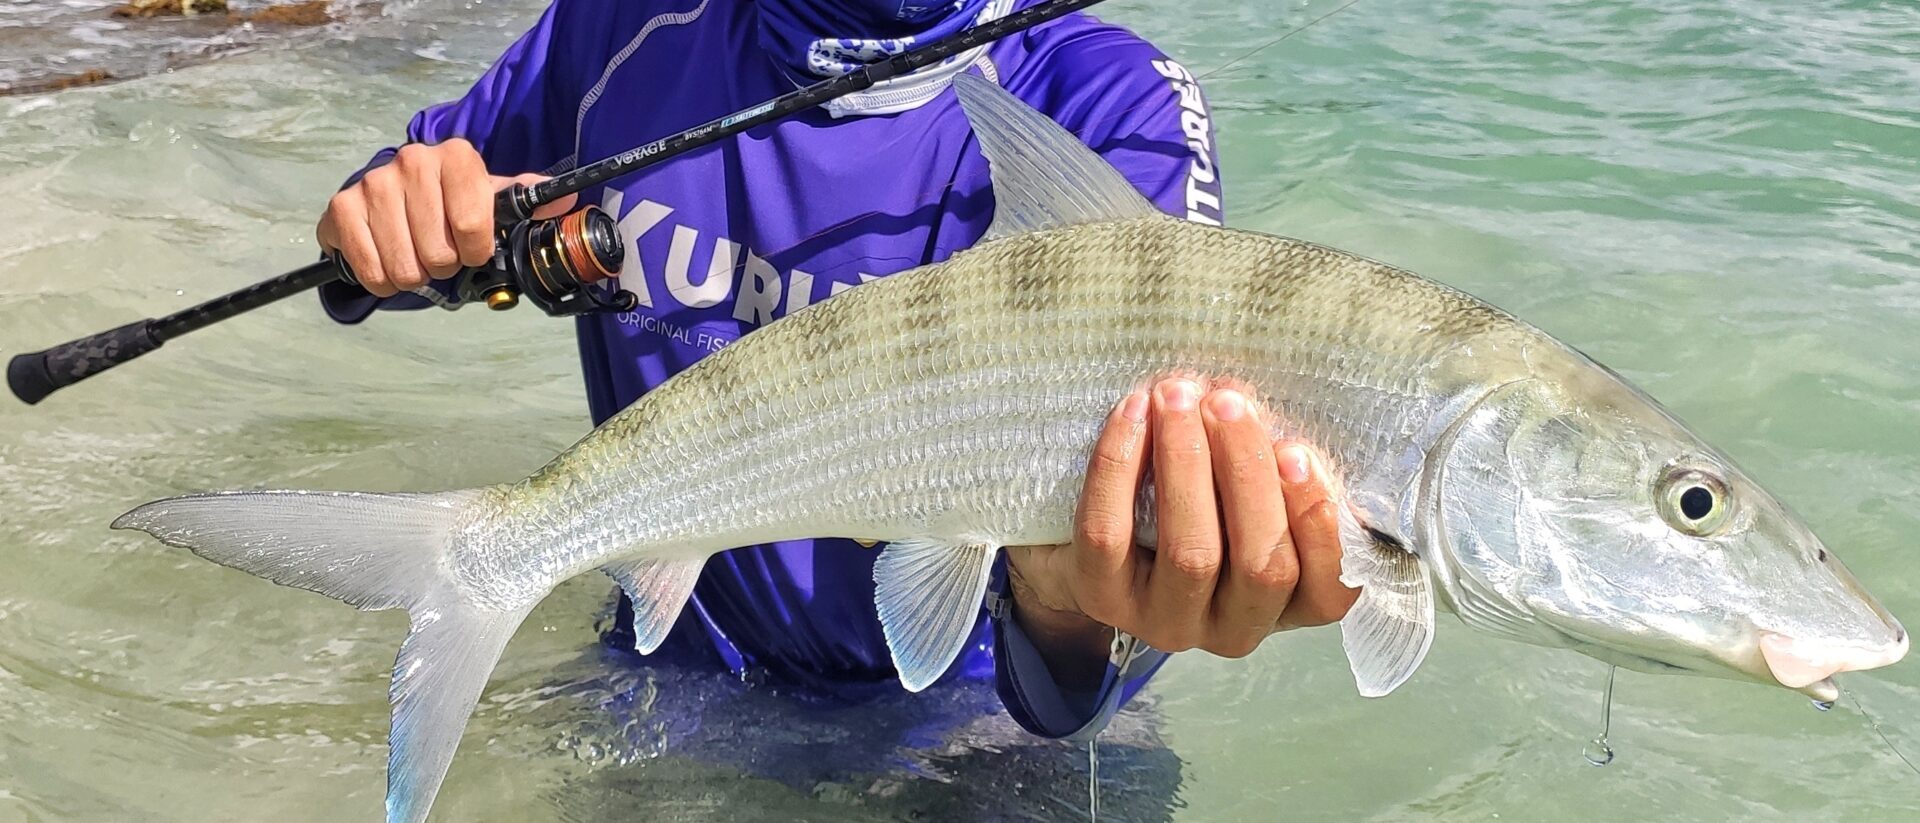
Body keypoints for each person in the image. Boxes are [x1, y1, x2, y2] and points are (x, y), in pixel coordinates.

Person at [314, 0, 1358, 747]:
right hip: (677, 688)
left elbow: (1167, 483)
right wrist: (391, 221)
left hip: (990, 733)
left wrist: (1078, 603)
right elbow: (393, 233)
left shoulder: (1108, 102)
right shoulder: (620, 25)